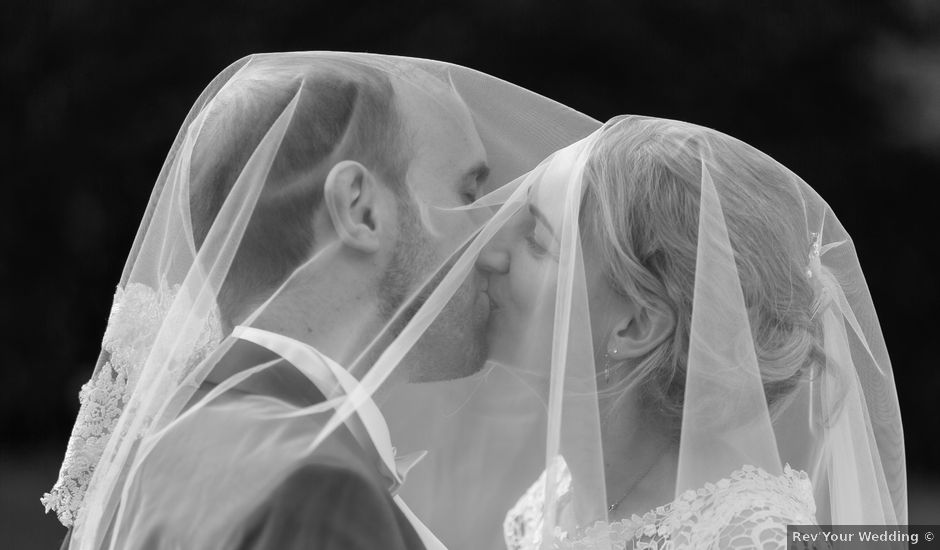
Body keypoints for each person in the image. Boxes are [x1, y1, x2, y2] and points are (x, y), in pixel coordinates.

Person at [42, 52, 599, 550]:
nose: (492, 239)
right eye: (469, 194)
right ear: (360, 209)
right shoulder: (313, 485)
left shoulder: (155, 448)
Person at [468, 116, 905, 549]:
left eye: (537, 241)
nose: (488, 255)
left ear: (637, 325)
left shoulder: (748, 538)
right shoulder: (554, 498)